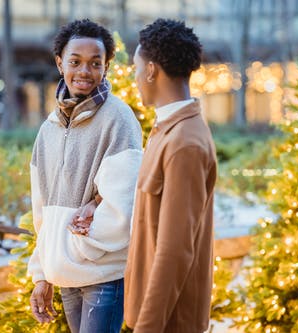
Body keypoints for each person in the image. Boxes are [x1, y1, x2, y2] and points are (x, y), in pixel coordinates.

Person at [27, 19, 143, 333]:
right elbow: (42, 209)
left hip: (102, 273)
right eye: (75, 62)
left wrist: (82, 248)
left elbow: (125, 204)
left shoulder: (118, 118)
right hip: (65, 275)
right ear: (59, 62)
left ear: (106, 67)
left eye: (95, 63)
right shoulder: (49, 128)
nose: (84, 72)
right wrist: (43, 272)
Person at [124, 18, 217, 333]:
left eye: (137, 69)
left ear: (151, 70)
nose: (136, 79)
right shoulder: (167, 129)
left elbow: (175, 249)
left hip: (169, 323)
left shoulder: (184, 143)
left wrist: (146, 327)